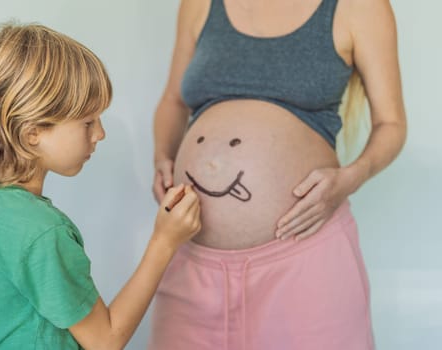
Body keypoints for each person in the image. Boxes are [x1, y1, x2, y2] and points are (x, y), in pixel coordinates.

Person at [150, 0, 406, 349]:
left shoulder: (359, 7)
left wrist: (351, 177)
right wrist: (163, 156)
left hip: (304, 258)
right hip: (191, 255)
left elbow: (390, 125)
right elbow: (174, 101)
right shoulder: (199, 4)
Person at [0, 22, 201, 350]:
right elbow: (106, 340)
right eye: (87, 122)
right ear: (32, 131)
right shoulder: (41, 232)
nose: (100, 134)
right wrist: (164, 241)